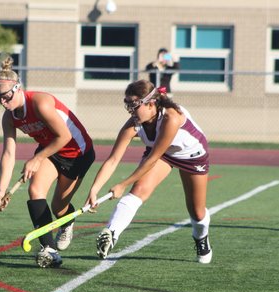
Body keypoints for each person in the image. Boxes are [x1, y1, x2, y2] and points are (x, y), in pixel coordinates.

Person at [85, 79, 212, 264]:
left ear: (151, 104)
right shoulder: (135, 123)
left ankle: (201, 238)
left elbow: (152, 160)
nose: (131, 112)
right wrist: (94, 189)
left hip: (191, 156)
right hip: (162, 154)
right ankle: (112, 232)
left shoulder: (171, 118)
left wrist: (122, 183)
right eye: (128, 106)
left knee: (197, 211)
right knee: (138, 191)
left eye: (134, 107)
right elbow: (113, 160)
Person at [0, 56, 95, 268]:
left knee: (59, 207)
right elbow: (8, 153)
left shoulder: (40, 103)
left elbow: (64, 137)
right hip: (51, 151)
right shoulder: (9, 117)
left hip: (77, 152)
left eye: (5, 96)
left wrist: (36, 158)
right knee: (35, 191)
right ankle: (49, 249)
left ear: (17, 89)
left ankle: (67, 222)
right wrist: (2, 190)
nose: (3, 102)